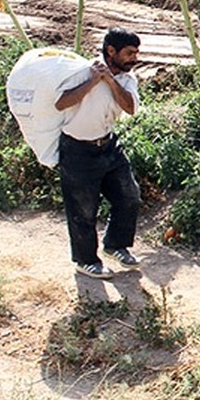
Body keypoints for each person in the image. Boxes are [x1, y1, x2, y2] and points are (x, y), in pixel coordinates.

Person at [55, 27, 142, 280]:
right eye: (129, 53)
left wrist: (110, 81)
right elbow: (61, 103)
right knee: (83, 209)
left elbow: (130, 108)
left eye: (136, 53)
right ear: (111, 51)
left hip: (108, 146)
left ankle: (115, 245)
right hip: (77, 150)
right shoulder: (82, 72)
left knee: (130, 196)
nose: (134, 58)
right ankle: (86, 261)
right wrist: (93, 81)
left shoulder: (127, 79)